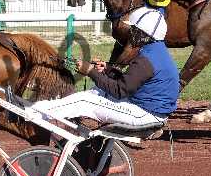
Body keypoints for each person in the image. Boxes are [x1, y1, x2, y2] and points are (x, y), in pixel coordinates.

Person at [33, 7, 180, 131]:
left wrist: (90, 71)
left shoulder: (146, 59)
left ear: (143, 33)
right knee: (97, 91)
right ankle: (45, 109)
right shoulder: (156, 51)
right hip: (148, 109)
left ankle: (36, 112)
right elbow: (132, 81)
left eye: (133, 29)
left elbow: (120, 90)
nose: (130, 33)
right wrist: (108, 70)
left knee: (85, 100)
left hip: (146, 115)